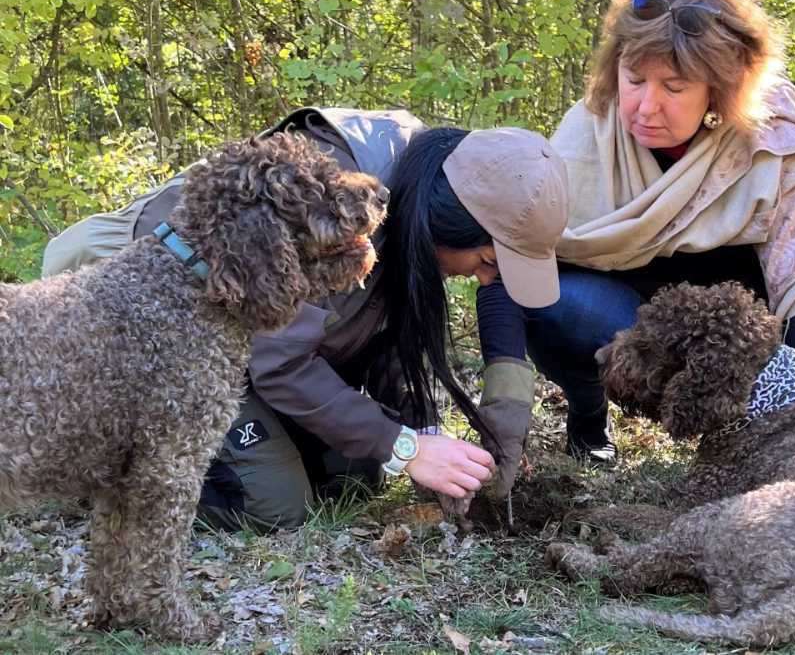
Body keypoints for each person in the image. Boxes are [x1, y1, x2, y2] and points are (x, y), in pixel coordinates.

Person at [476, 0, 795, 492]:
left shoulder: (774, 148)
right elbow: (517, 260)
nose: (646, 106)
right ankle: (588, 418)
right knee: (549, 300)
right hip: (634, 316)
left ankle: (746, 441)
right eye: (634, 79)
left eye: (674, 87)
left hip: (739, 337)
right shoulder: (587, 134)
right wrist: (500, 415)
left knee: (780, 378)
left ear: (718, 89)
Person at [42, 107, 570, 531]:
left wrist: (425, 432)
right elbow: (279, 360)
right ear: (451, 225)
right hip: (143, 324)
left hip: (245, 340)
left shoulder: (432, 185)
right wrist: (406, 448)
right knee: (274, 503)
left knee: (358, 469)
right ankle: (102, 464)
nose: (483, 279)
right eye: (484, 262)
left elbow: (387, 332)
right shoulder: (334, 196)